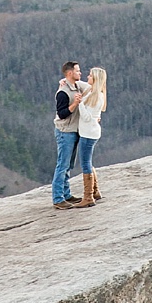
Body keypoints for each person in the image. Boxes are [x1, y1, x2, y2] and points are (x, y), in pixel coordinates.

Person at [51, 60, 88, 210]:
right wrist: (74, 104)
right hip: (65, 132)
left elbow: (92, 87)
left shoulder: (76, 86)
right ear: (70, 73)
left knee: (68, 165)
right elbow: (62, 114)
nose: (80, 73)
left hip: (73, 131)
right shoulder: (63, 92)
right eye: (78, 71)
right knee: (62, 165)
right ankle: (58, 198)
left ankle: (66, 195)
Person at [77, 67, 108, 204]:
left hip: (88, 133)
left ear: (95, 79)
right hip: (90, 131)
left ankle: (88, 196)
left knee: (85, 163)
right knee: (87, 161)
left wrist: (79, 104)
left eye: (90, 76)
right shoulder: (93, 93)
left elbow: (87, 117)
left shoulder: (96, 96)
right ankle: (95, 191)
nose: (87, 77)